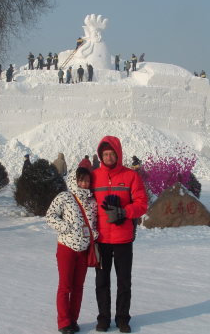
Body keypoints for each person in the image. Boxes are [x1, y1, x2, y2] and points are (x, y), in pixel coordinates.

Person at [91, 136, 148, 333]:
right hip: (101, 239)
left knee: (124, 281)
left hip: (123, 238)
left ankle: (123, 318)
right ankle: (103, 318)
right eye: (105, 154)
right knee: (101, 281)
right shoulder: (94, 177)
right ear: (101, 155)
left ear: (118, 154)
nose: (108, 157)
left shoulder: (131, 176)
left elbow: (142, 204)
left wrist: (124, 212)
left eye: (111, 153)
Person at [46, 167, 98, 334]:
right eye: (81, 180)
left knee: (78, 287)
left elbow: (94, 224)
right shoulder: (65, 197)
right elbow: (50, 215)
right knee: (65, 286)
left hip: (83, 250)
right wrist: (66, 227)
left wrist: (94, 233)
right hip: (66, 248)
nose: (84, 183)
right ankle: (63, 322)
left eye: (87, 180)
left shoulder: (92, 202)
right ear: (75, 180)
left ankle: (73, 320)